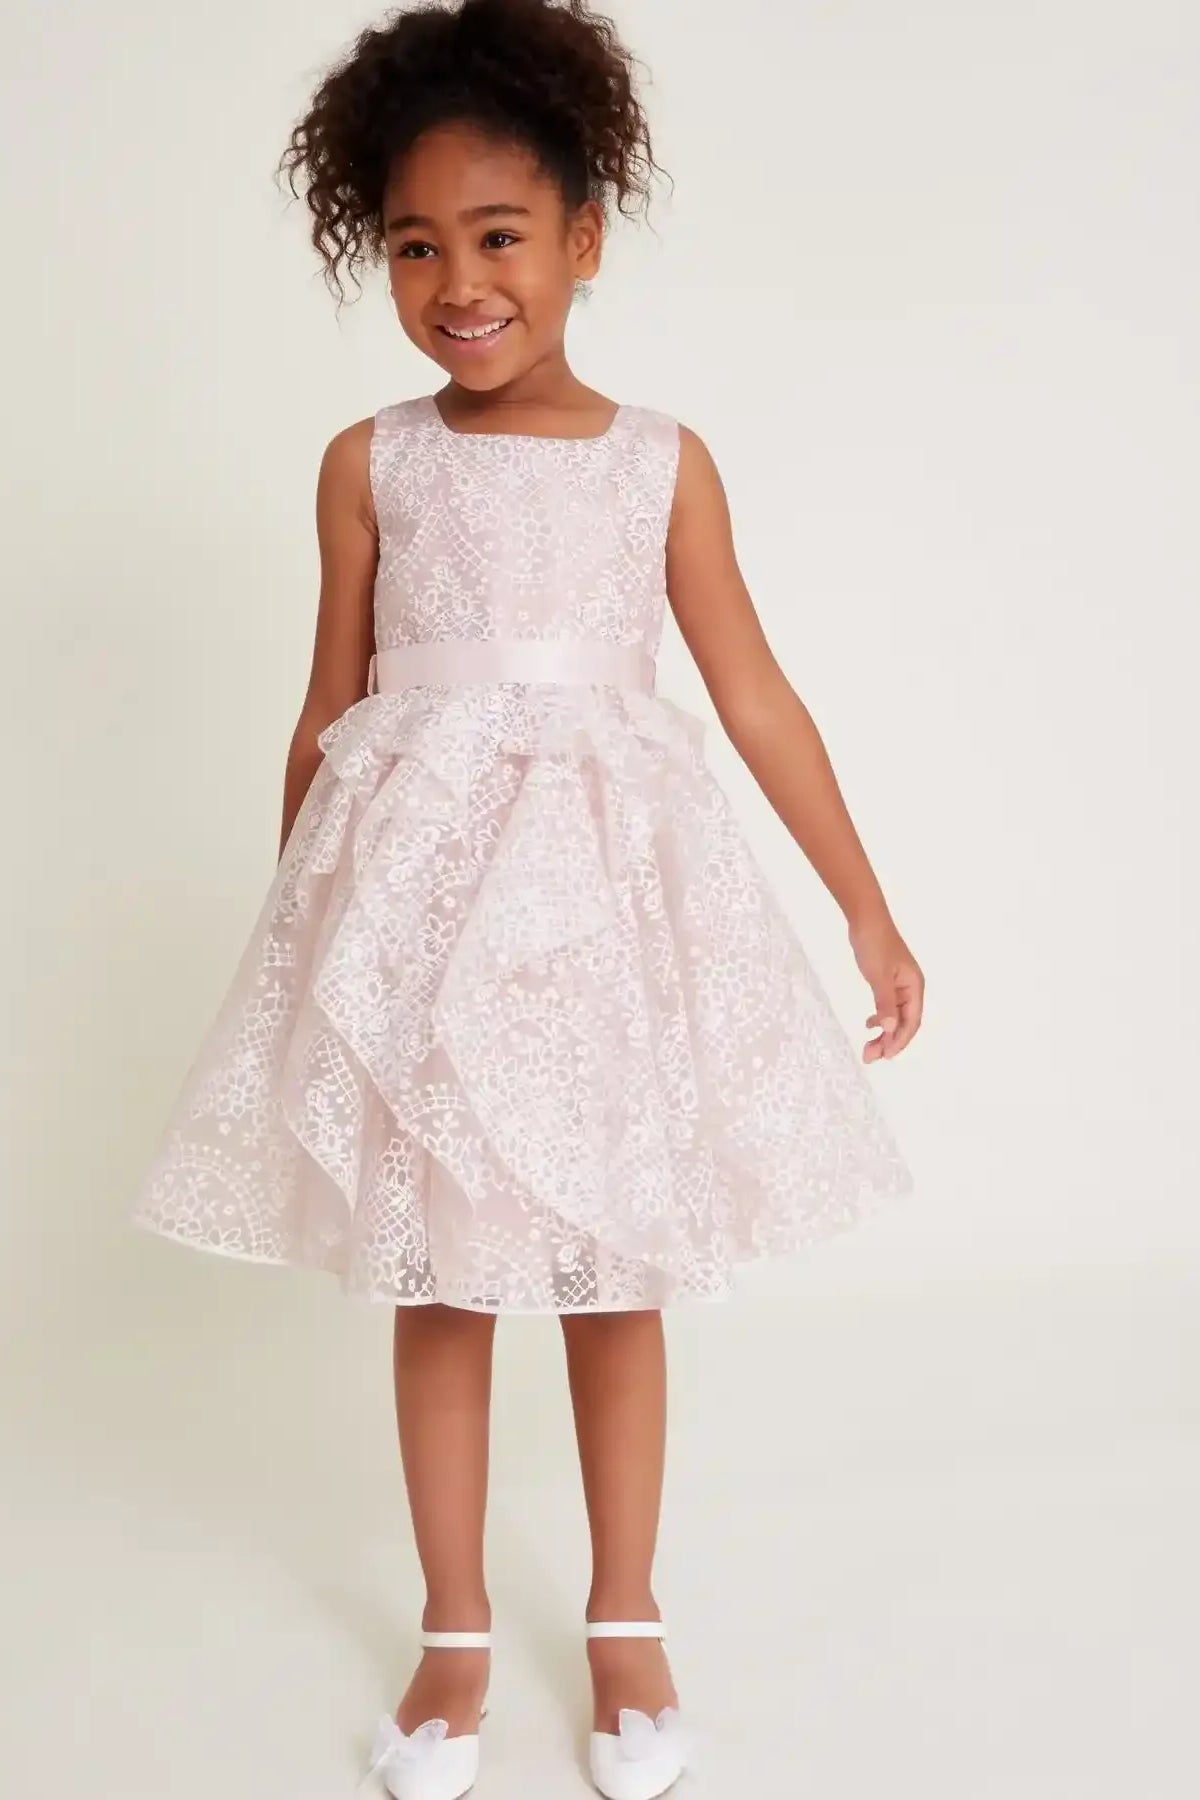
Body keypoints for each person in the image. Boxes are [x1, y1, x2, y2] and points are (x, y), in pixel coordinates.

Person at [132, 1, 924, 1795]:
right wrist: (296, 940)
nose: (459, 282)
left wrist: (864, 908)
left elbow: (753, 693)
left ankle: (627, 1615)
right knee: (442, 1278)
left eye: (499, 237)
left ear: (584, 238)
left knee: (612, 1274)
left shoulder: (660, 461)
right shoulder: (370, 461)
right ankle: (456, 1631)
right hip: (423, 925)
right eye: (416, 246)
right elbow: (326, 711)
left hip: (607, 924)